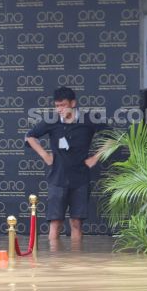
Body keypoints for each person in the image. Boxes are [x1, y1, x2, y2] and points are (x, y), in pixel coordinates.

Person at [25, 87, 105, 247]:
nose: (59, 109)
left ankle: (75, 262)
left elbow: (113, 137)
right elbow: (29, 136)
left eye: (63, 105)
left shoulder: (88, 120)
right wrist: (45, 155)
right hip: (57, 179)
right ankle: (56, 266)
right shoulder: (51, 121)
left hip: (80, 179)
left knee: (76, 223)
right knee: (55, 223)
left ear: (73, 103)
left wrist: (96, 157)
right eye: (57, 106)